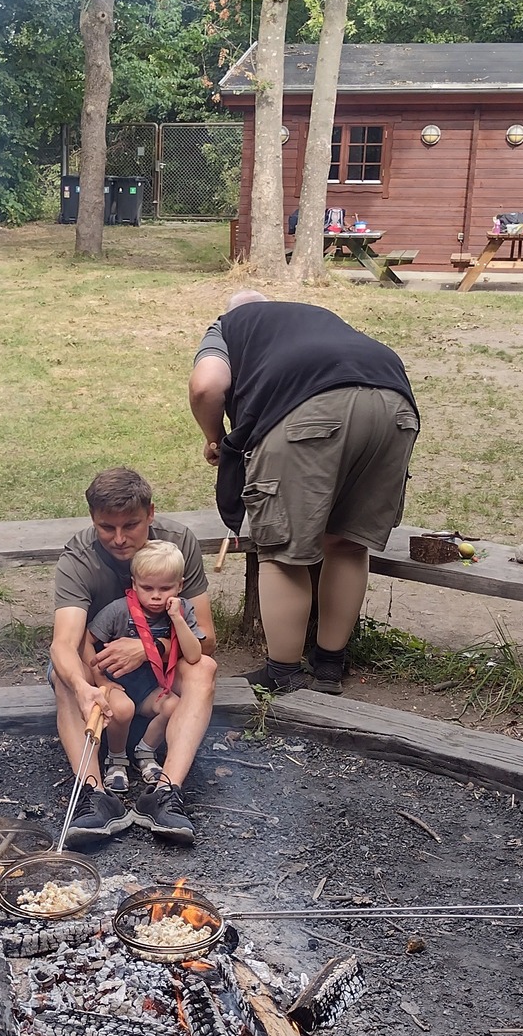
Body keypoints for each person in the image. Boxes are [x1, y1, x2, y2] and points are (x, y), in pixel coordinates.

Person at [187, 292, 418, 695]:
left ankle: (284, 673)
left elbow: (207, 386)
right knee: (347, 543)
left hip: (308, 411)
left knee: (283, 551)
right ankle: (329, 666)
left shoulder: (228, 325)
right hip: (394, 405)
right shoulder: (316, 316)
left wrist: (215, 438)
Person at [48, 468, 218, 846]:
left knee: (204, 668)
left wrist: (148, 646)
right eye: (107, 528)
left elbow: (207, 640)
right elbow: (64, 644)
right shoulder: (79, 557)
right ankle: (94, 796)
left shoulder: (177, 544)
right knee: (64, 675)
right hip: (102, 666)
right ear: (93, 520)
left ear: (151, 514)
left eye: (132, 525)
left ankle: (164, 794)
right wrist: (84, 687)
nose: (120, 539)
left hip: (161, 665)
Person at [82, 541, 207, 805]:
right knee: (122, 709)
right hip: (118, 684)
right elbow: (86, 641)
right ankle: (116, 759)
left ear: (180, 585)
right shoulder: (119, 610)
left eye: (165, 588)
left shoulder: (182, 610)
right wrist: (101, 681)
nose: (156, 596)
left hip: (152, 685)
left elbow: (194, 655)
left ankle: (146, 751)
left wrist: (178, 619)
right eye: (148, 588)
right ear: (134, 584)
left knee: (173, 705)